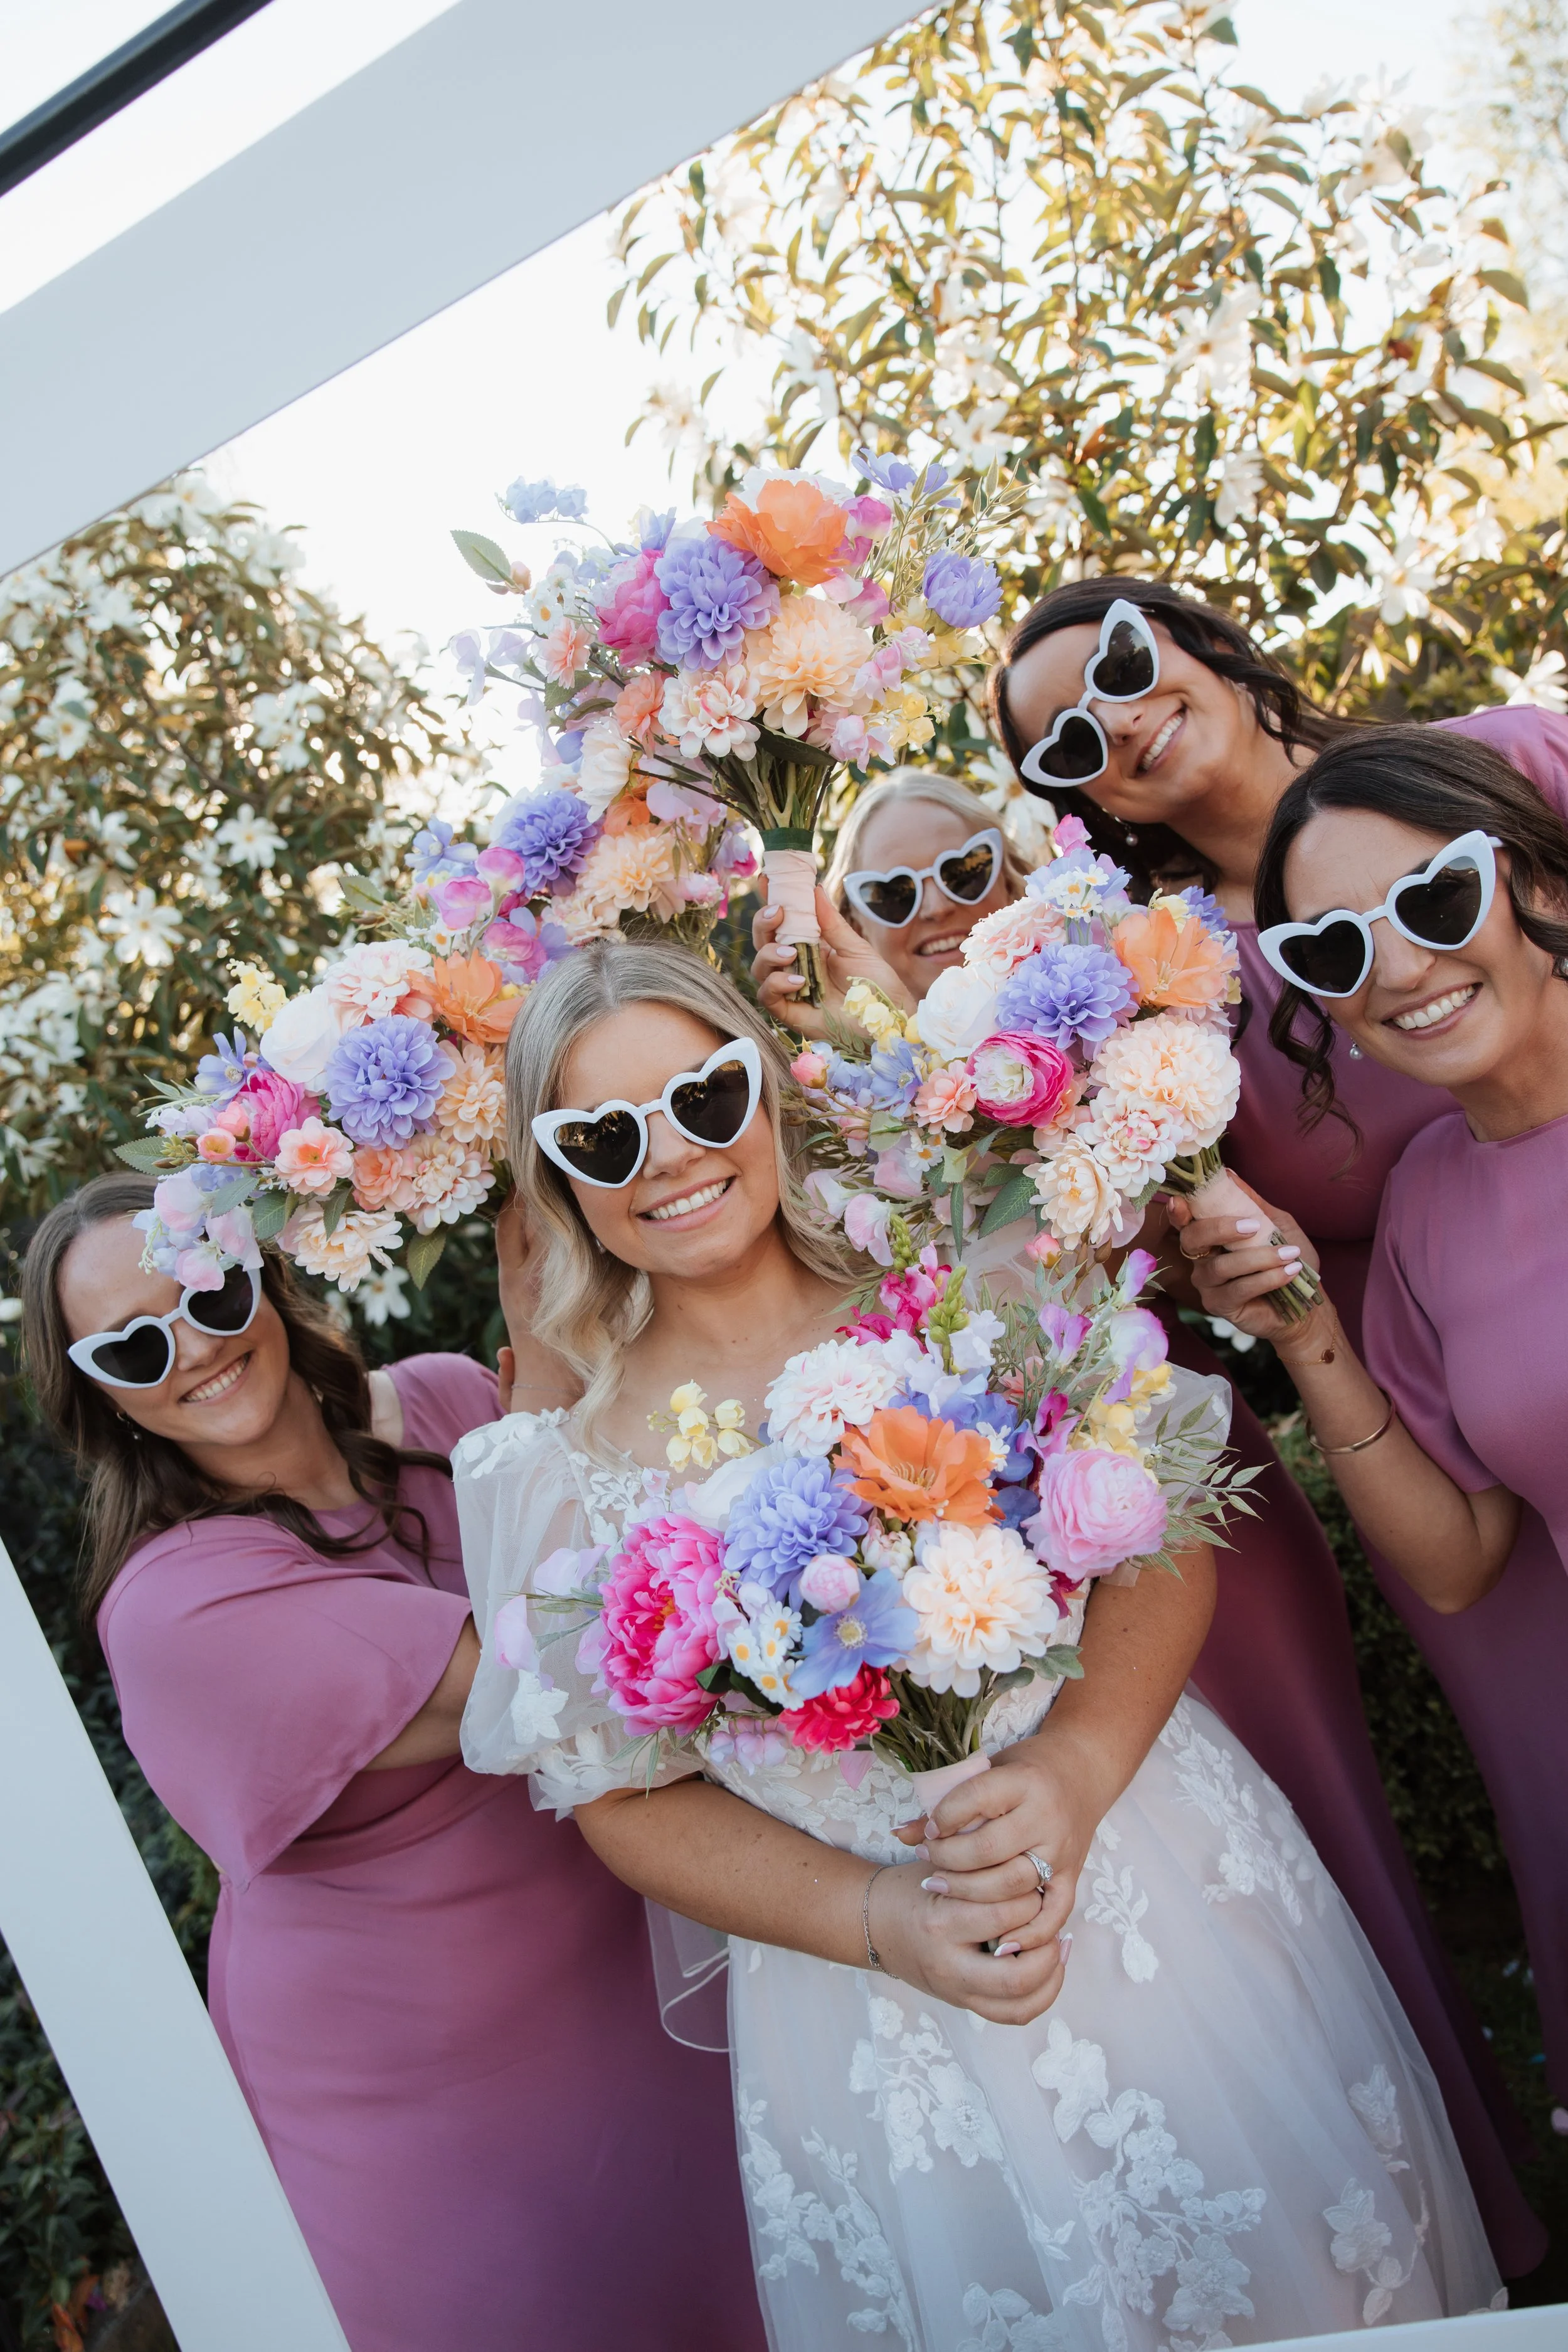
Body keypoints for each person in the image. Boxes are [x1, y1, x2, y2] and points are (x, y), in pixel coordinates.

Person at [453, 936, 1502, 2349]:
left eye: (703, 1099)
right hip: (871, 1996)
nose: (668, 1158)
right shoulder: (545, 1475)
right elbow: (620, 1796)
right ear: (554, 1173)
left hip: (1134, 1871)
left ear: (764, 1093)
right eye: (602, 1134)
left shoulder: (956, 1285)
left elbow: (1154, 1534)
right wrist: (880, 1921)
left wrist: (1072, 1765)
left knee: (1298, 2277)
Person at [758, 746, 1544, 2270]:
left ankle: (1453, 2196)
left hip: (1177, 1501)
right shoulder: (831, 1111)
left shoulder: (1126, 1024)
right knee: (1155, 1904)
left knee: (1319, 1842)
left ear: (1016, 880)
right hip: (988, 1565)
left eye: (965, 873)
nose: (932, 912)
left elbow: (1194, 1247)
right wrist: (870, 1036)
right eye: (889, 893)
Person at [991, 578, 1568, 2269]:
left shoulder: (1488, 763)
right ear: (1084, 797)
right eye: (1067, 738)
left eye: (1115, 662)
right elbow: (1144, 1267)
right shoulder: (1168, 1001)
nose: (1116, 713)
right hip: (1460, 1392)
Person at [21, 1173, 763, 2352]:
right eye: (132, 1346)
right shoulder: (174, 1608)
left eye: (207, 1293)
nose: (192, 1349)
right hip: (424, 2086)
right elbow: (564, 1662)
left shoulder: (441, 1401)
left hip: (626, 1978)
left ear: (258, 1268)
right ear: (100, 1396)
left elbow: (632, 1508)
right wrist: (539, 1328)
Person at [1175, 724, 1568, 2136]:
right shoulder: (1427, 1209)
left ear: (1536, 886)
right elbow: (1456, 1557)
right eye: (1334, 953)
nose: (1396, 969)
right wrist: (1305, 1337)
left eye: (1432, 900)